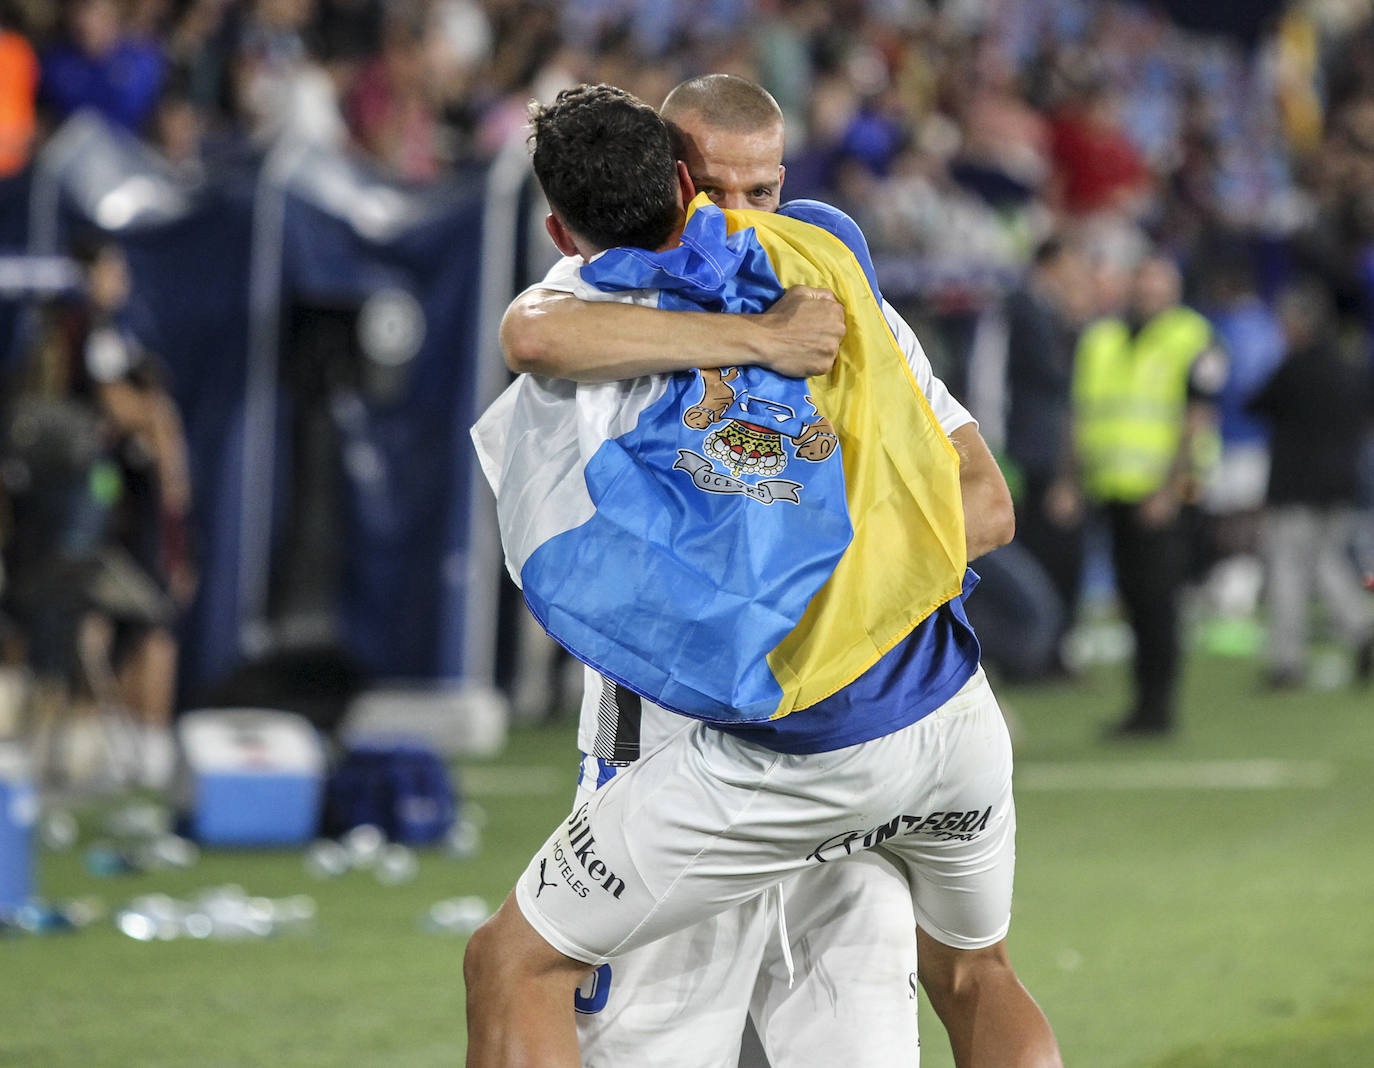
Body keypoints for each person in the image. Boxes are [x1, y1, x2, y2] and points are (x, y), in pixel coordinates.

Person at [466, 83, 1060, 1067]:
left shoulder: (837, 292)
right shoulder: (619, 293)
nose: (741, 220)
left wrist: (811, 604)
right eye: (720, 189)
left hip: (780, 751)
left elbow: (989, 507)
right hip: (791, 732)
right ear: (675, 180)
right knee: (972, 972)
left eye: (766, 191)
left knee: (514, 964)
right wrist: (757, 343)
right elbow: (535, 330)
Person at [1069, 252, 1226, 737]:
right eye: (1143, 282)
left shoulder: (1192, 337)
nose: (1148, 293)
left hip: (1162, 495)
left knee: (1159, 602)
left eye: (1158, 284)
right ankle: (1142, 706)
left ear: (1174, 290)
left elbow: (1197, 418)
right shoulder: (1101, 337)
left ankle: (1159, 708)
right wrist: (1071, 480)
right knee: (1132, 601)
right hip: (1112, 488)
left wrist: (1172, 489)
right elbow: (1080, 414)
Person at [1246, 280, 1374, 688]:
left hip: (1297, 485)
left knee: (1287, 567)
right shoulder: (1349, 366)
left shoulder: (1295, 366)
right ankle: (1362, 630)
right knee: (1325, 560)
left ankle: (1288, 661)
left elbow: (1255, 403)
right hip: (1339, 483)